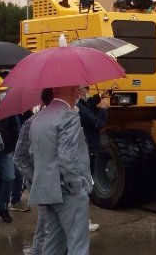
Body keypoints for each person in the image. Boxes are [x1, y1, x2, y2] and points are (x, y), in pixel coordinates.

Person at [27, 86, 92, 255]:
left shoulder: (38, 117)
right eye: (77, 88)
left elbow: (32, 154)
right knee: (78, 245)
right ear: (71, 90)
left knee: (53, 244)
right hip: (68, 191)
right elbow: (67, 158)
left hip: (46, 190)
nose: (80, 92)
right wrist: (78, 187)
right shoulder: (68, 116)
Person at [14, 88, 54, 255]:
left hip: (60, 184)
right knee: (46, 224)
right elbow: (19, 157)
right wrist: (37, 178)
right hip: (42, 184)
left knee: (52, 226)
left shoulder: (68, 122)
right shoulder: (31, 123)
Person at [77, 85, 110, 232]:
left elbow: (88, 105)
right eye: (85, 88)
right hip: (88, 149)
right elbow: (98, 123)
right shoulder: (79, 106)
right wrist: (103, 109)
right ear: (78, 90)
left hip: (86, 148)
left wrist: (100, 96)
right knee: (85, 185)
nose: (87, 90)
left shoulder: (79, 103)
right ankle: (83, 221)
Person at [0, 87, 19, 223]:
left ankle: (3, 207)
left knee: (10, 177)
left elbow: (14, 127)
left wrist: (14, 144)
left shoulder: (6, 107)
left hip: (6, 149)